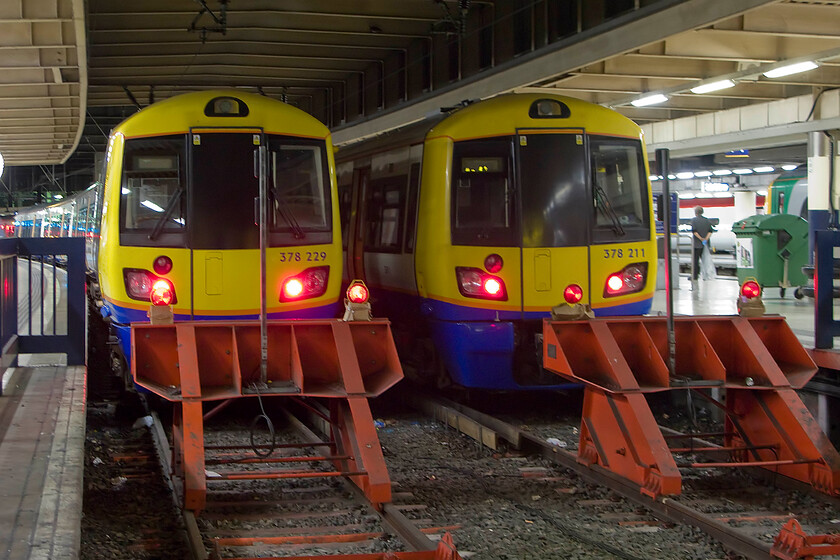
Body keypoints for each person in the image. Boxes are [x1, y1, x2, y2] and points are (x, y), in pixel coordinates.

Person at [690, 206, 713, 288]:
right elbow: (710, 231)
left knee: (695, 261)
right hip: (705, 244)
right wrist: (705, 239)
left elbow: (694, 231)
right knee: (706, 260)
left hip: (696, 244)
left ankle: (695, 276)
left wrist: (700, 238)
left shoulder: (694, 220)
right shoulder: (707, 220)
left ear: (696, 212)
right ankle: (706, 275)